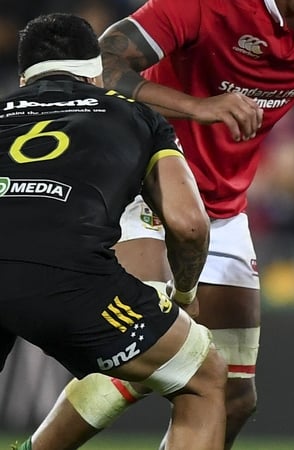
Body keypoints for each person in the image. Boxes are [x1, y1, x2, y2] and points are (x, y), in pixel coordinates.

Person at [29, 0, 294, 449]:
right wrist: (197, 107)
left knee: (234, 397)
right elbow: (105, 64)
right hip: (146, 185)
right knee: (144, 357)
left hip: (222, 207)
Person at [1, 13, 226, 450]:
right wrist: (183, 295)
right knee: (204, 376)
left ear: (23, 78)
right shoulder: (137, 116)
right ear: (97, 74)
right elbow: (189, 224)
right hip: (68, 279)